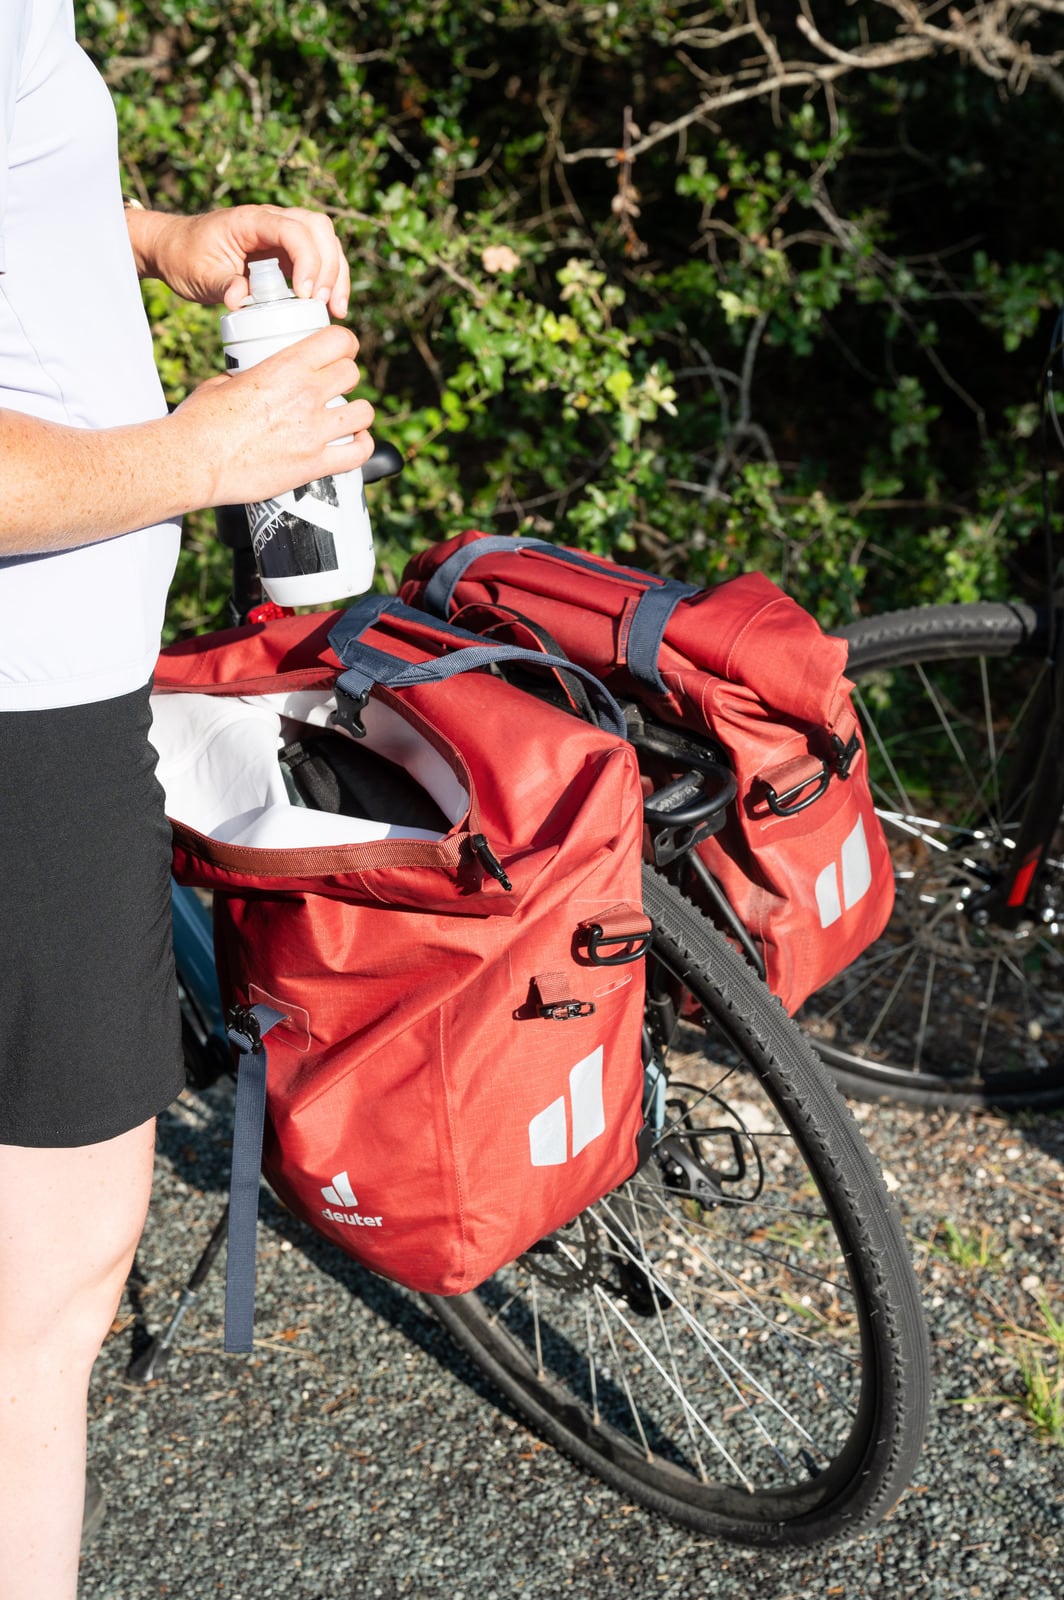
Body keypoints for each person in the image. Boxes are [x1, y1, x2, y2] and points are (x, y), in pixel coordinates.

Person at [0, 4, 374, 1595]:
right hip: (17, 711)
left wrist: (152, 237)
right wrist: (201, 454)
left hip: (57, 677)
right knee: (39, 1290)